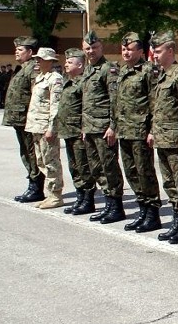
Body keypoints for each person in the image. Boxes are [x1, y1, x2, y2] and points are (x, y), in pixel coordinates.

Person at [111, 33, 162, 232]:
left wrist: (152, 130)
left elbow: (154, 102)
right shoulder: (122, 71)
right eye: (124, 49)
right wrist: (114, 127)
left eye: (130, 49)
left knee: (145, 172)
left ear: (141, 51)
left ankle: (152, 213)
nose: (126, 52)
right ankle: (143, 210)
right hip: (124, 131)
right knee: (131, 172)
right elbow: (117, 103)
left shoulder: (148, 71)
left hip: (140, 131)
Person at [149, 32, 178, 243]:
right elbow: (158, 109)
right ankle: (176, 222)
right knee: (170, 184)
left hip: (176, 141)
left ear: (170, 50)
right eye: (153, 52)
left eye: (158, 51)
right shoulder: (162, 75)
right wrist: (152, 131)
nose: (154, 56)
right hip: (163, 139)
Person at [81, 31, 126, 223]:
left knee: (109, 167)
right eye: (88, 48)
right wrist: (84, 127)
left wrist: (112, 127)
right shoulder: (88, 70)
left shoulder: (109, 69)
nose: (91, 51)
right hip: (90, 127)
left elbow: (114, 100)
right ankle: (108, 203)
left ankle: (116, 206)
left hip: (103, 128)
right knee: (96, 167)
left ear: (102, 48)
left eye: (94, 47)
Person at [3, 36, 43, 203]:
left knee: (32, 152)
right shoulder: (21, 68)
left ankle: (36, 187)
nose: (16, 52)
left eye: (20, 50)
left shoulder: (33, 69)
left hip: (27, 119)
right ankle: (32, 183)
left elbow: (36, 95)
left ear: (30, 52)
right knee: (25, 152)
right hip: (19, 119)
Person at [57, 48, 96, 215]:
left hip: (78, 131)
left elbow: (87, 107)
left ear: (80, 64)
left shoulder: (83, 83)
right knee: (74, 167)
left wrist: (84, 127)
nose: (65, 64)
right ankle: (80, 197)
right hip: (67, 131)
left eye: (69, 62)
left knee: (83, 166)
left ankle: (88, 200)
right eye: (66, 61)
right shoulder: (68, 81)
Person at [25, 48, 65, 209]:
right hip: (36, 126)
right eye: (37, 58)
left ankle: (56, 195)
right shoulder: (40, 77)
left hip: (46, 127)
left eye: (41, 59)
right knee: (41, 161)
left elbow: (55, 106)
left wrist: (51, 128)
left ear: (49, 61)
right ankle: (50, 194)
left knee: (51, 161)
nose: (37, 61)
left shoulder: (55, 79)